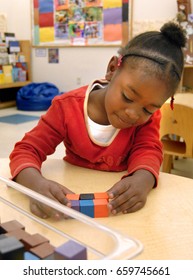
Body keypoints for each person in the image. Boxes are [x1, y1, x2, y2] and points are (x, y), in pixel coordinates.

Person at [9, 21, 186, 219]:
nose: (133, 114)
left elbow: (148, 150)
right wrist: (36, 185)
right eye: (127, 97)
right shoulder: (66, 107)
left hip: (118, 210)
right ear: (112, 69)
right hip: (72, 198)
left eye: (148, 109)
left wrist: (143, 179)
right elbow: (26, 150)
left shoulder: (147, 120)